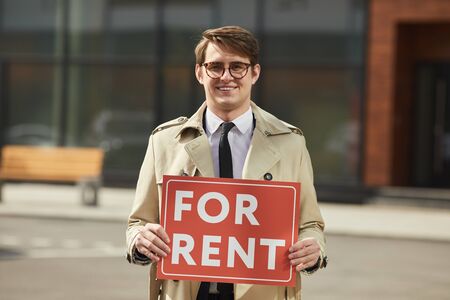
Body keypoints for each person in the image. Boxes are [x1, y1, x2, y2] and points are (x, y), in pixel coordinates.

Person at [126, 25, 327, 300]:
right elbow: (139, 221)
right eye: (215, 66)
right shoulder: (164, 142)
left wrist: (314, 248)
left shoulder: (290, 143)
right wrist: (140, 240)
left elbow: (311, 224)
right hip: (187, 292)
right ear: (200, 73)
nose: (226, 76)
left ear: (254, 73)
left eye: (237, 67)